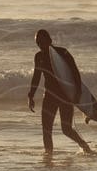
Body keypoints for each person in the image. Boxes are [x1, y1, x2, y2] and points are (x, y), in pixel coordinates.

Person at [28, 27, 93, 156]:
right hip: (49, 96)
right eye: (38, 43)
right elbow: (36, 76)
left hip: (65, 96)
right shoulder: (39, 57)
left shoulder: (63, 53)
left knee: (66, 129)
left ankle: (85, 147)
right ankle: (49, 157)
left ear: (49, 40)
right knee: (46, 130)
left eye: (42, 42)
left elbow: (75, 74)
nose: (40, 45)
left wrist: (78, 92)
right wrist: (31, 95)